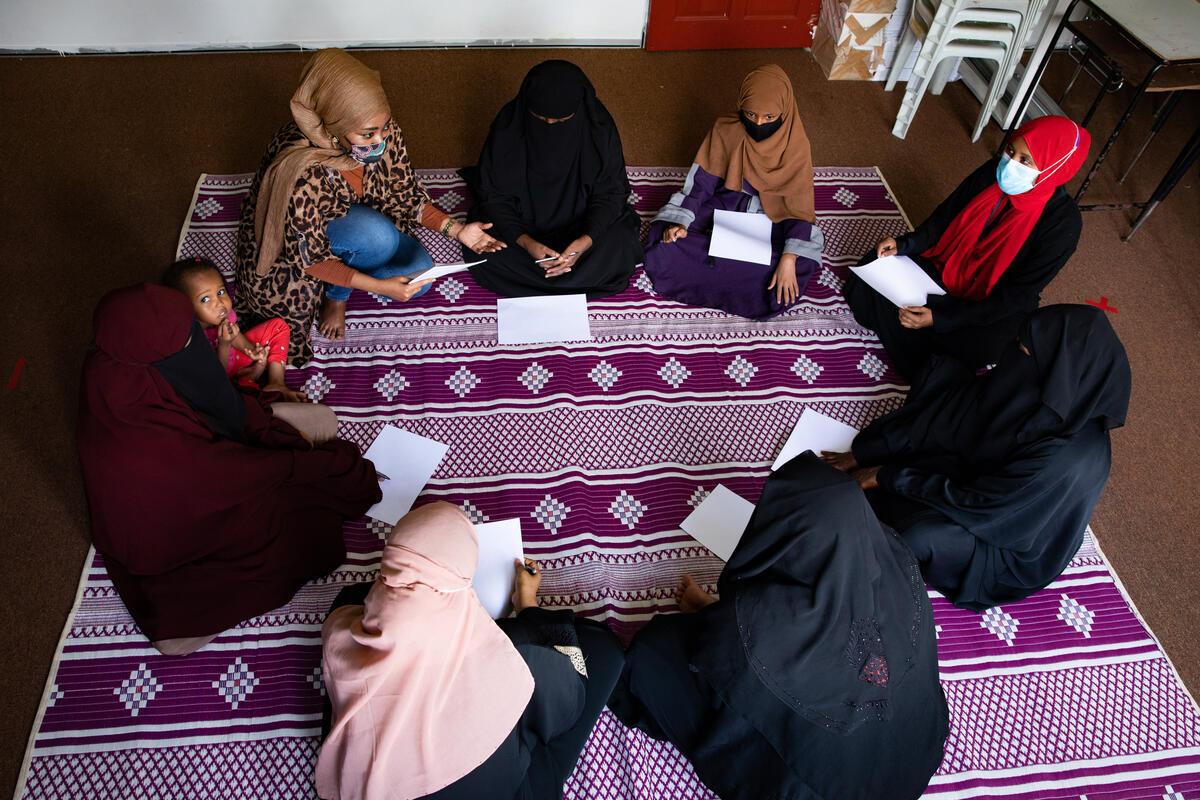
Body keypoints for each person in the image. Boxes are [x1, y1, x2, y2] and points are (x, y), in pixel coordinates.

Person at [610, 454, 949, 800]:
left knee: (654, 655)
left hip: (818, 790)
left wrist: (719, 615)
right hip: (911, 760)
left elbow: (720, 654)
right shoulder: (898, 564)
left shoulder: (761, 628)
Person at [76, 283, 381, 656]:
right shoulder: (137, 433)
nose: (193, 344)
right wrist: (307, 463)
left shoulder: (116, 363)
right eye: (185, 341)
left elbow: (220, 405)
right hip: (187, 517)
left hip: (208, 457)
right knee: (306, 519)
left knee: (321, 424)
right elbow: (229, 475)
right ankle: (181, 629)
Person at [822, 304, 1130, 610]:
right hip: (989, 479)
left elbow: (979, 505)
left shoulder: (1063, 459)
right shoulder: (1043, 396)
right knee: (941, 375)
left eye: (1023, 350)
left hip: (1002, 541)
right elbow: (957, 411)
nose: (1009, 356)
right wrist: (865, 453)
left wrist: (886, 475)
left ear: (1057, 372)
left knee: (917, 533)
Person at [315, 502, 624, 800]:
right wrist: (528, 605)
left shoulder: (342, 627)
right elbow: (569, 701)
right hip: (504, 788)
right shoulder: (515, 654)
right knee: (602, 650)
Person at [234, 48, 503, 364]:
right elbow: (309, 257)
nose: (380, 140)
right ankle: (336, 296)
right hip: (310, 242)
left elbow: (404, 192)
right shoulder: (301, 168)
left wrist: (458, 231)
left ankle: (354, 263)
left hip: (363, 221)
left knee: (418, 277)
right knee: (378, 239)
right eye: (367, 134)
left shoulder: (383, 136)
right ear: (333, 129)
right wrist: (379, 287)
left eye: (384, 127)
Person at [844, 115, 1091, 378]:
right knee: (873, 266)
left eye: (1025, 160)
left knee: (988, 355)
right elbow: (944, 218)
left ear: (1053, 169)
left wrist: (940, 318)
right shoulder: (994, 171)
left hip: (994, 302)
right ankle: (923, 354)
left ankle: (926, 351)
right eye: (1010, 151)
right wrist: (904, 244)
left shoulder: (1062, 224)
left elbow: (1017, 295)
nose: (1011, 164)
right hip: (950, 266)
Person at [642, 64, 823, 319]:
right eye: (751, 114)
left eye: (769, 117)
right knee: (666, 238)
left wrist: (789, 259)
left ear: (784, 112)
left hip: (774, 217)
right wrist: (683, 223)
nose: (758, 123)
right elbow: (701, 185)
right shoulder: (726, 129)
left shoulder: (796, 145)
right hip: (726, 204)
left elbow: (798, 209)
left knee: (795, 266)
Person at [461, 59, 642, 298]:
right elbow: (495, 196)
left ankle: (548, 278)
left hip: (583, 225)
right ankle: (573, 279)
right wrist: (526, 242)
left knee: (621, 243)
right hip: (521, 226)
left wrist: (585, 241)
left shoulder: (598, 128)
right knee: (484, 249)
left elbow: (610, 193)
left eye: (561, 122)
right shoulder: (508, 126)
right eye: (539, 119)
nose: (549, 126)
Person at [164, 257, 307, 403]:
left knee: (278, 326)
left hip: (234, 360)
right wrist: (225, 344)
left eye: (221, 292)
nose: (220, 303)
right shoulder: (189, 338)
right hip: (218, 376)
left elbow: (235, 335)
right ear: (184, 306)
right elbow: (215, 378)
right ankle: (249, 379)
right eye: (205, 299)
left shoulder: (221, 316)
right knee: (241, 396)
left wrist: (252, 351)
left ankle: (276, 382)